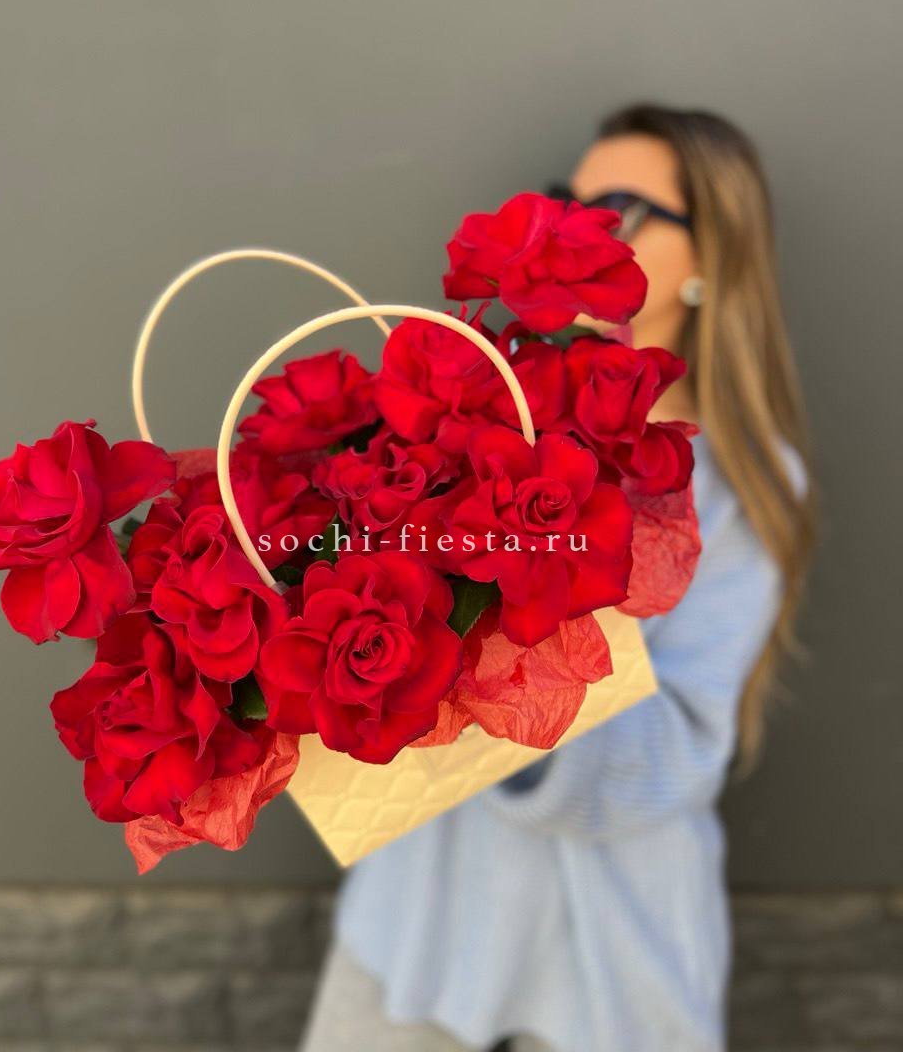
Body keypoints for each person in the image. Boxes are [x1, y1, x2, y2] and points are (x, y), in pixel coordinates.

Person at [299, 103, 815, 1052]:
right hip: (421, 924)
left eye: (622, 210)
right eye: (567, 203)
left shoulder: (745, 485)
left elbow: (677, 752)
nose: (579, 229)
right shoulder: (483, 415)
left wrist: (494, 670)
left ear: (709, 257)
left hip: (609, 956)